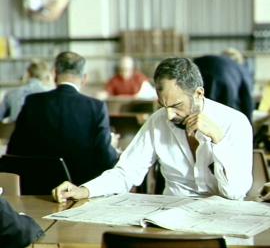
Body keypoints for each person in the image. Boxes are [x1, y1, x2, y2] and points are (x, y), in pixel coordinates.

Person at [52, 57, 253, 203]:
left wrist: (219, 140)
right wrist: (84, 190)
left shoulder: (235, 123)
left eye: (176, 105)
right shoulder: (159, 121)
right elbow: (126, 173)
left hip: (222, 220)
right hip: (171, 219)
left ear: (199, 93)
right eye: (163, 106)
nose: (169, 116)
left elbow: (234, 192)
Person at [7, 51, 118, 186]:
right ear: (84, 78)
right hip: (80, 190)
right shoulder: (96, 107)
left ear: (54, 74)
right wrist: (114, 148)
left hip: (36, 187)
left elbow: (14, 150)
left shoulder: (32, 102)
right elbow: (106, 158)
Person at [193, 54, 254, 123]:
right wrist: (249, 125)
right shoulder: (241, 68)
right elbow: (247, 100)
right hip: (226, 86)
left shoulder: (215, 60)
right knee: (225, 117)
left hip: (197, 72)